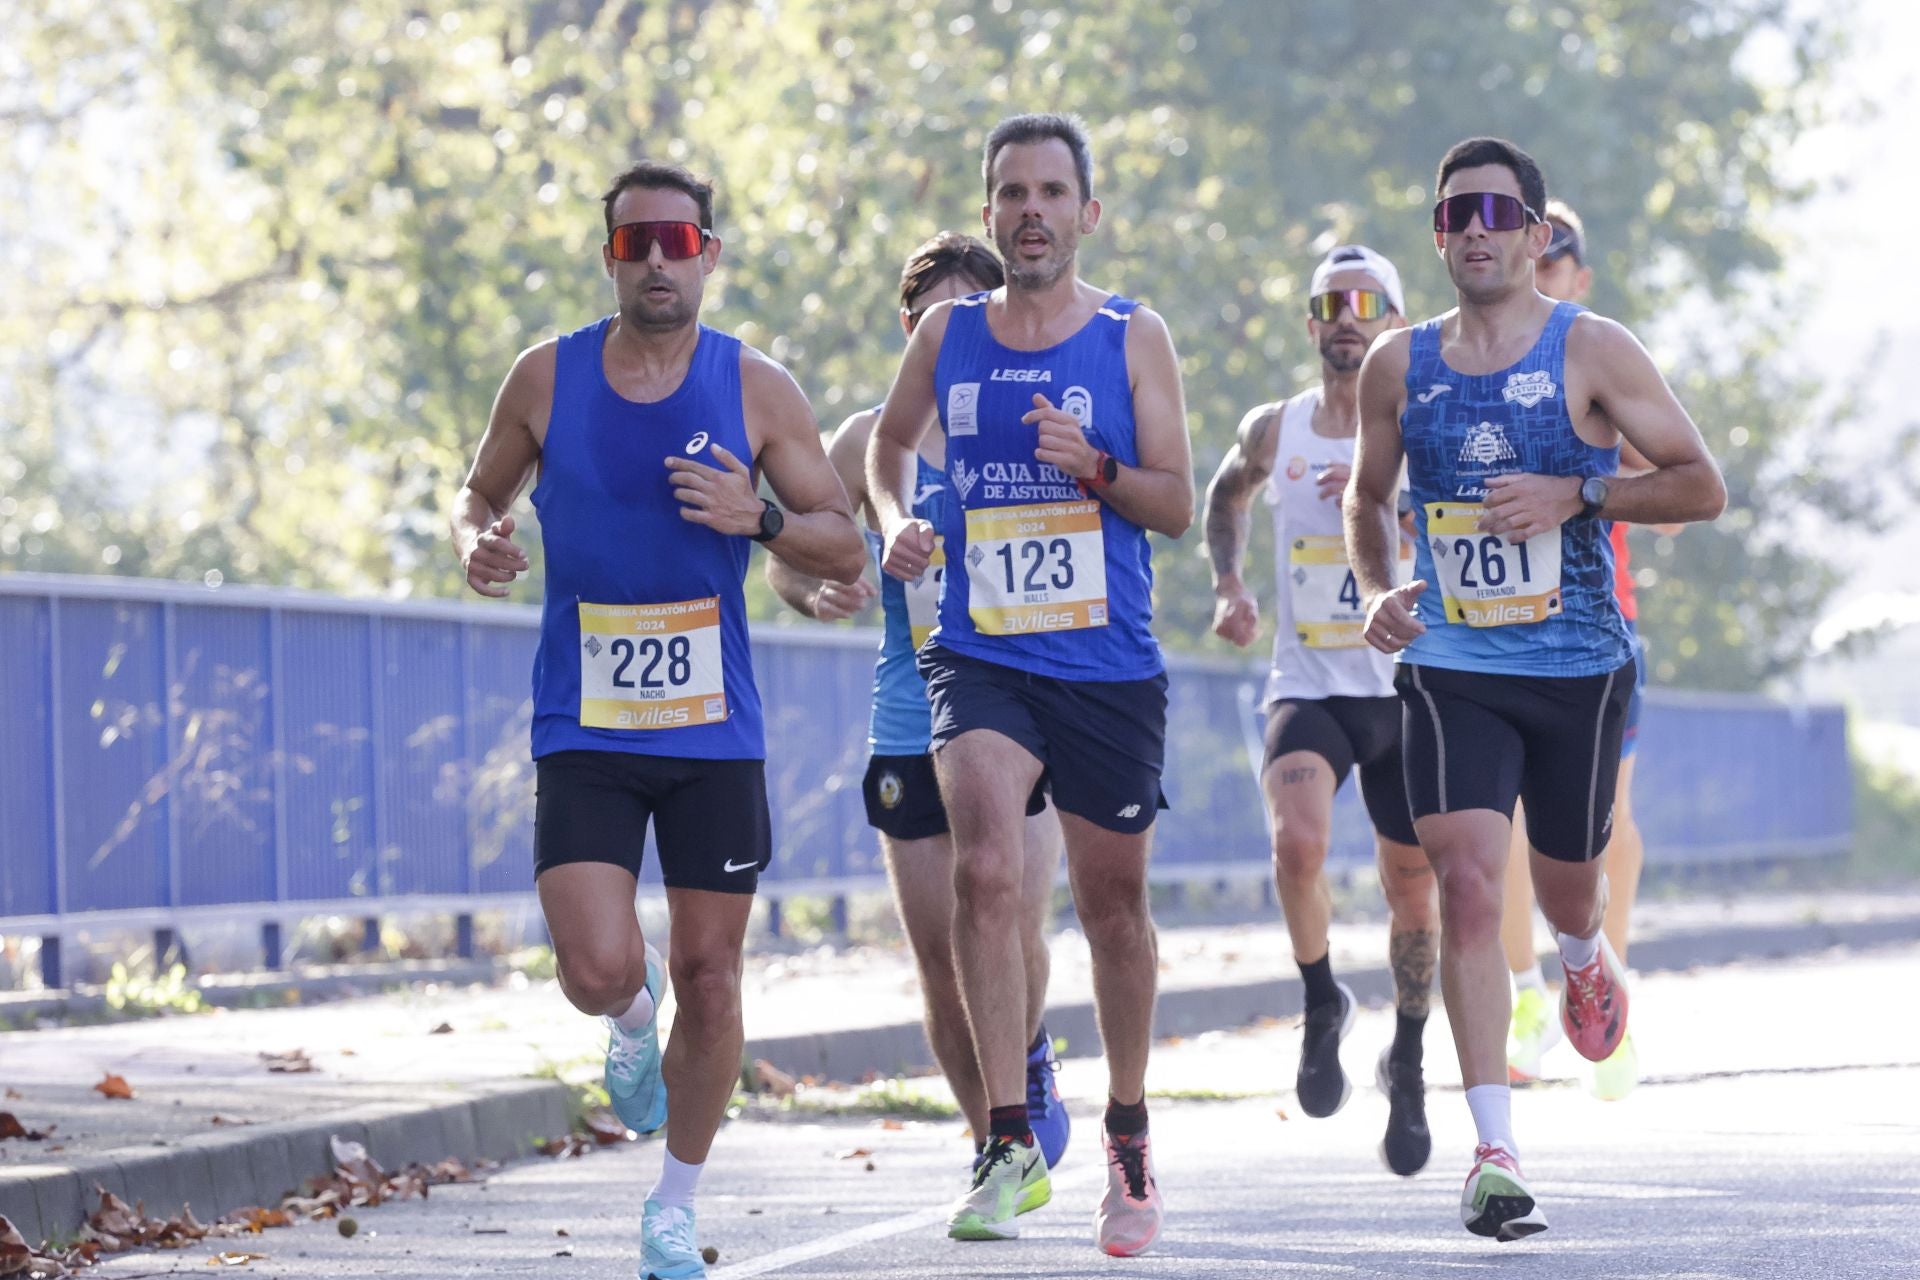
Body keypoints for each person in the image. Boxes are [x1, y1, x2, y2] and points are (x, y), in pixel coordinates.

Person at [451, 160, 866, 1280]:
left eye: (677, 242)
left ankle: (673, 1204)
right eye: (635, 242)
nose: (655, 260)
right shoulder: (545, 376)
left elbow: (842, 541)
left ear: (709, 256)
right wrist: (474, 535)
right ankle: (632, 1022)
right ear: (610, 259)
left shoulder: (757, 388)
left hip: (711, 729)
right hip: (583, 717)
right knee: (593, 963)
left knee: (716, 972)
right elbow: (477, 489)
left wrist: (760, 512)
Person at [1345, 137, 1725, 1240]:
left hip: (1577, 669)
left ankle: (1582, 959)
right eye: (1456, 210)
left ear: (1534, 232)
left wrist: (1578, 491)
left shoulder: (1593, 350)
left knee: (1568, 889)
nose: (1476, 227)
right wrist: (1376, 585)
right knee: (1466, 878)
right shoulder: (1397, 364)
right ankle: (1496, 1149)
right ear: (1438, 233)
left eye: (1498, 211)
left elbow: (1701, 482)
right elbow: (1370, 500)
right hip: (1451, 662)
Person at [867, 113, 1194, 1255]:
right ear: (993, 208)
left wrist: (1095, 468)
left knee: (1113, 910)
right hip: (980, 648)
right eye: (1011, 192)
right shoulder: (949, 331)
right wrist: (900, 515)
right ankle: (1007, 1137)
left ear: (1088, 213)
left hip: (1106, 662)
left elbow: (1176, 505)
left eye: (1053, 191)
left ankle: (1129, 1131)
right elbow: (886, 446)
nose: (1032, 210)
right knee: (989, 866)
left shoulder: (1130, 333)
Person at [765, 231, 1072, 1170]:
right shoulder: (867, 441)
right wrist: (821, 593)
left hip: (1027, 710)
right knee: (941, 953)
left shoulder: (1037, 415)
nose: (945, 331)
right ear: (908, 331)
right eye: (926, 317)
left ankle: (1024, 1055)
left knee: (1010, 917)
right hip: (911, 709)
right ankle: (993, 1148)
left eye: (963, 310)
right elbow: (791, 557)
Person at [1203, 243, 1437, 1177]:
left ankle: (1411, 1060)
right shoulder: (1277, 428)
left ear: (1393, 321)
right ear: (1312, 324)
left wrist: (1387, 503)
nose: (1347, 315)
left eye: (1366, 301)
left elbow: (1469, 531)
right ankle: (1321, 1000)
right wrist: (1227, 582)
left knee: (1410, 886)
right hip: (1307, 683)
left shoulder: (1422, 426)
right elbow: (1225, 494)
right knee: (1295, 846)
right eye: (1330, 302)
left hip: (1404, 690)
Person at [1502, 200, 1685, 1100]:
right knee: (1503, 825)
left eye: (1562, 250)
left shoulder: (1602, 357)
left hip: (1595, 622)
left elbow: (1678, 482)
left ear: (1579, 272)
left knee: (1604, 816)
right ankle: (1525, 995)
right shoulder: (1474, 354)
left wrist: (1584, 482)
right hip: (1492, 625)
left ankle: (1605, 981)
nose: (1545, 262)